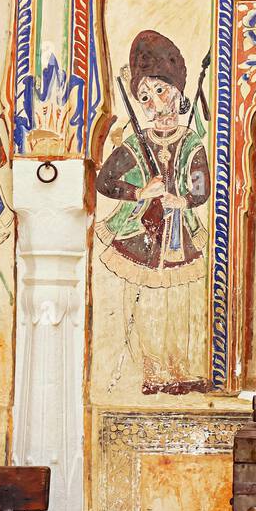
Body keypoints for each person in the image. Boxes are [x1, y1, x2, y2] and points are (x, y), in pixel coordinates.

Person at [96, 31, 210, 395]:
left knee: (180, 303)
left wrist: (184, 200)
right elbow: (105, 181)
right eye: (145, 97)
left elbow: (201, 185)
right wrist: (140, 192)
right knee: (145, 306)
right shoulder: (134, 143)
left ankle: (180, 368)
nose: (155, 103)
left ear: (177, 93)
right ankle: (152, 371)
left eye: (161, 91)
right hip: (141, 237)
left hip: (181, 236)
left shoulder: (191, 141)